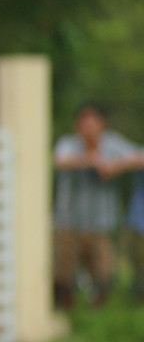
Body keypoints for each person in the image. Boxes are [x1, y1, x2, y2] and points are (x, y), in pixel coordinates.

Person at [52, 104, 136, 309]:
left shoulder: (112, 144)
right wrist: (88, 161)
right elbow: (59, 161)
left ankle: (99, 315)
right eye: (83, 123)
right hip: (68, 222)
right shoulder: (69, 144)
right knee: (63, 274)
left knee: (105, 273)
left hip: (101, 224)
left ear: (102, 125)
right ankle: (65, 313)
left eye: (91, 123)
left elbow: (139, 156)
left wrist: (117, 165)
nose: (87, 128)